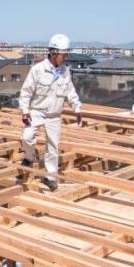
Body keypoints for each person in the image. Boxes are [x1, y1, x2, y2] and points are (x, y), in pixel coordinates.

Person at [19, 34, 83, 192]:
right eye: (64, 54)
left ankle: (50, 177)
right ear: (54, 53)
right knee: (26, 136)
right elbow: (26, 92)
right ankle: (29, 157)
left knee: (53, 147)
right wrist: (25, 111)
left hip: (54, 115)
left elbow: (70, 92)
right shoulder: (38, 70)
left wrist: (77, 108)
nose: (66, 57)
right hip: (37, 111)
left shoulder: (65, 72)